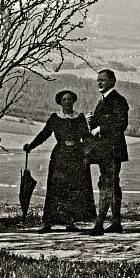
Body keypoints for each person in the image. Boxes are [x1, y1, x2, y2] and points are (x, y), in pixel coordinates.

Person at [23, 89, 97, 233]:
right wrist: (31, 146)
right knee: (55, 188)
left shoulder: (79, 118)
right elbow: (44, 134)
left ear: (74, 101)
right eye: (64, 100)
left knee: (72, 189)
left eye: (70, 99)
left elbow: (86, 137)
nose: (67, 102)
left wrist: (88, 153)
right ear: (60, 103)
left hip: (76, 157)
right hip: (60, 157)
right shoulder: (55, 118)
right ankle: (47, 222)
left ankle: (70, 222)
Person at [87, 69, 130, 236]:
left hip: (112, 150)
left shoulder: (118, 101)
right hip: (104, 151)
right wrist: (91, 123)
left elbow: (120, 125)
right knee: (111, 184)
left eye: (103, 80)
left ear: (112, 81)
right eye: (98, 80)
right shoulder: (103, 101)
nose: (99, 83)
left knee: (107, 183)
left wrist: (100, 129)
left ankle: (99, 223)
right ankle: (116, 222)